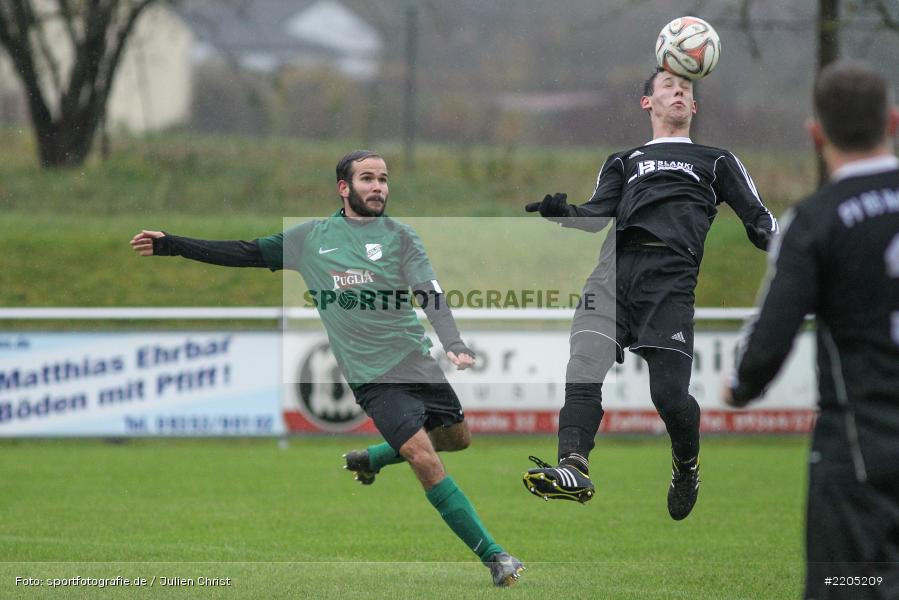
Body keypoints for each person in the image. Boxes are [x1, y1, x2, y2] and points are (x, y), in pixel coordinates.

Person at [130, 150, 524, 587]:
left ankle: (374, 457)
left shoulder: (401, 236)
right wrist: (172, 244)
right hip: (372, 377)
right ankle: (495, 556)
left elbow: (428, 290)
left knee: (458, 439)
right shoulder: (310, 239)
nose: (379, 187)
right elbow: (243, 252)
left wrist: (452, 342)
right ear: (344, 188)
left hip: (416, 361)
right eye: (368, 179)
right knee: (424, 460)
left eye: (384, 179)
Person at [522, 68, 777, 520]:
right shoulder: (625, 160)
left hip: (670, 282)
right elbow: (596, 213)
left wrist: (784, 243)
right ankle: (572, 465)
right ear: (648, 103)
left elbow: (760, 219)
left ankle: (686, 464)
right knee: (583, 368)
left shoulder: (717, 161)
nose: (678, 91)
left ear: (694, 106)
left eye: (686, 88)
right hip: (613, 275)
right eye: (667, 86)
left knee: (670, 397)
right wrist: (563, 213)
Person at [724, 60, 899, 599]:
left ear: (815, 132)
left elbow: (767, 343)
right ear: (892, 122)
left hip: (861, 455)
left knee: (850, 583)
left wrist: (739, 387)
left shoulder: (817, 220)